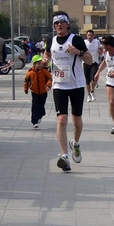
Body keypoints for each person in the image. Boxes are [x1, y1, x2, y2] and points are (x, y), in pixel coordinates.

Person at [42, 11, 92, 172]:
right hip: (59, 85)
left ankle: (75, 144)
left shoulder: (76, 40)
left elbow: (90, 60)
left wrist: (79, 52)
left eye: (62, 22)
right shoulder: (51, 41)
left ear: (67, 24)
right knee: (62, 120)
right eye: (56, 23)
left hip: (76, 85)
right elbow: (47, 55)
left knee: (76, 120)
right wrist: (44, 61)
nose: (59, 25)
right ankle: (64, 156)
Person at [23, 55, 52, 128]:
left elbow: (50, 79)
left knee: (41, 105)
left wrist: (48, 85)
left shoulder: (45, 72)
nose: (40, 65)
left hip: (43, 92)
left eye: (41, 63)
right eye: (38, 64)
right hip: (34, 92)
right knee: (35, 106)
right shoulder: (30, 73)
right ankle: (34, 121)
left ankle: (41, 114)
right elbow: (26, 81)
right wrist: (26, 89)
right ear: (34, 64)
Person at [84, 29, 101, 102]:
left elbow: (100, 50)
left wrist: (100, 51)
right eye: (88, 35)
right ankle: (88, 95)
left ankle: (92, 91)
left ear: (93, 36)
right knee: (87, 80)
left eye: (91, 35)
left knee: (94, 78)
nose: (90, 36)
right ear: (86, 35)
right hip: (86, 62)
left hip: (94, 62)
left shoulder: (96, 42)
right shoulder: (84, 42)